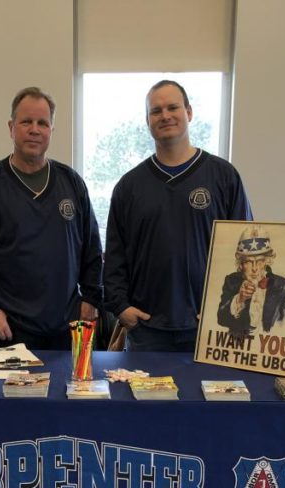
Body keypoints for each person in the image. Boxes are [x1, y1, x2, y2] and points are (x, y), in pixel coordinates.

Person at [104, 79, 253, 352]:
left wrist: (230, 306)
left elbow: (245, 250)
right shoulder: (129, 186)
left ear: (189, 112)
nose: (165, 116)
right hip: (146, 330)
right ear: (147, 120)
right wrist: (121, 307)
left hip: (211, 327)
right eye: (156, 111)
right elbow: (115, 256)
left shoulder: (224, 176)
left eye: (173, 107)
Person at [0, 87, 103, 350]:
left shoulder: (71, 183)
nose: (34, 129)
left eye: (42, 123)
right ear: (12, 127)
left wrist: (91, 296)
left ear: (51, 131)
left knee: (68, 391)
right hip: (7, 329)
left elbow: (91, 248)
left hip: (66, 326)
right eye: (26, 122)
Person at [217, 226, 285, 336]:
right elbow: (221, 318)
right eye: (249, 262)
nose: (254, 268)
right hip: (238, 346)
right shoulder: (231, 281)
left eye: (259, 261)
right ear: (241, 264)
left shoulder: (283, 286)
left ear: (267, 261)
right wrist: (239, 299)